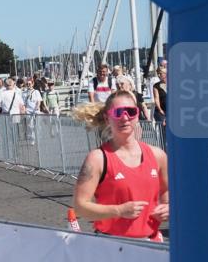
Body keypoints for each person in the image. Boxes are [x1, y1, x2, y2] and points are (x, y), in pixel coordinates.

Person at [72, 91, 168, 240]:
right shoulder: (98, 159)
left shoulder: (158, 155)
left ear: (137, 114)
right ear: (107, 118)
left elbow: (167, 194)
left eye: (130, 112)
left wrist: (168, 208)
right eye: (117, 113)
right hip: (112, 245)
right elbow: (80, 207)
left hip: (152, 243)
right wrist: (119, 211)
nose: (125, 117)